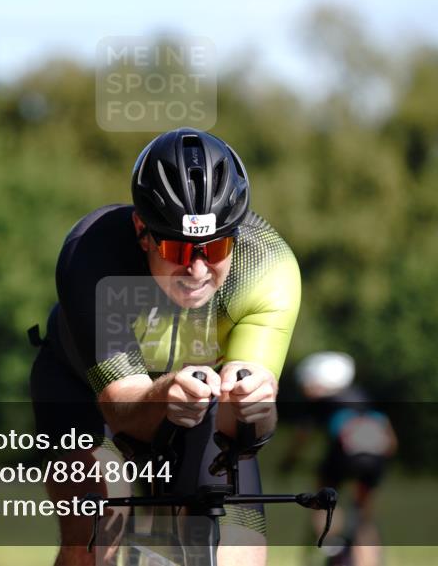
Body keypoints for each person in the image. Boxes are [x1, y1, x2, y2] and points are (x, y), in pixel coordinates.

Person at [29, 127, 302, 566]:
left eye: (215, 247)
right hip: (83, 390)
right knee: (100, 531)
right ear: (142, 230)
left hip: (197, 394)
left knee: (240, 555)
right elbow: (122, 411)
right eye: (178, 248)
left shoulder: (268, 268)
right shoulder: (93, 254)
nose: (196, 269)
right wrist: (167, 390)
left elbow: (246, 433)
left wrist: (254, 406)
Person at [293, 352, 397, 566]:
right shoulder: (364, 397)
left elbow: (302, 437)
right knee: (363, 517)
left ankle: (332, 544)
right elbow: (391, 440)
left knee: (324, 500)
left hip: (341, 458)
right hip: (375, 459)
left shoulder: (321, 402)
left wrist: (289, 460)